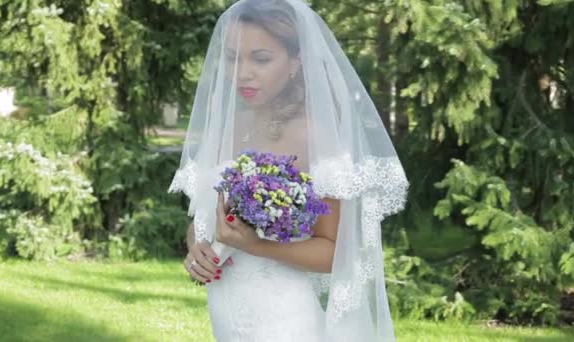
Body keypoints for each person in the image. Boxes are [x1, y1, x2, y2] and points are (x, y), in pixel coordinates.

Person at [168, 0, 409, 340]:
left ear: (296, 61)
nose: (242, 72)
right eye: (233, 57)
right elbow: (204, 218)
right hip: (225, 313)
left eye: (261, 58)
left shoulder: (315, 135)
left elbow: (334, 252)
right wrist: (197, 249)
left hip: (283, 320)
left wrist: (257, 246)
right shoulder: (230, 127)